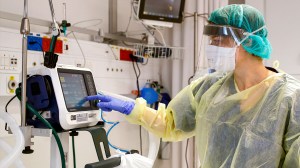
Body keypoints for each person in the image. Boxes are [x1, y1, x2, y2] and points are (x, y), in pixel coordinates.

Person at [86, 4, 300, 167]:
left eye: (219, 40)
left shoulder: (289, 98)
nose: (211, 47)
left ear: (249, 41)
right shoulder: (209, 87)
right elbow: (171, 123)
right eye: (211, 40)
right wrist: (131, 107)